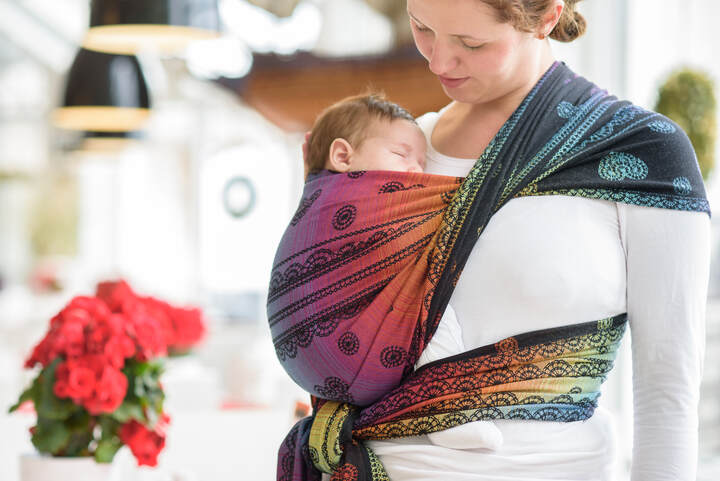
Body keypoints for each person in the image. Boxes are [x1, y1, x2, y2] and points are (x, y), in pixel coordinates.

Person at [279, 1, 710, 480]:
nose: (438, 61)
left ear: (546, 17)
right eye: (422, 27)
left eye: (471, 43)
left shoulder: (644, 155)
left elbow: (667, 392)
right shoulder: (399, 153)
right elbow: (333, 334)